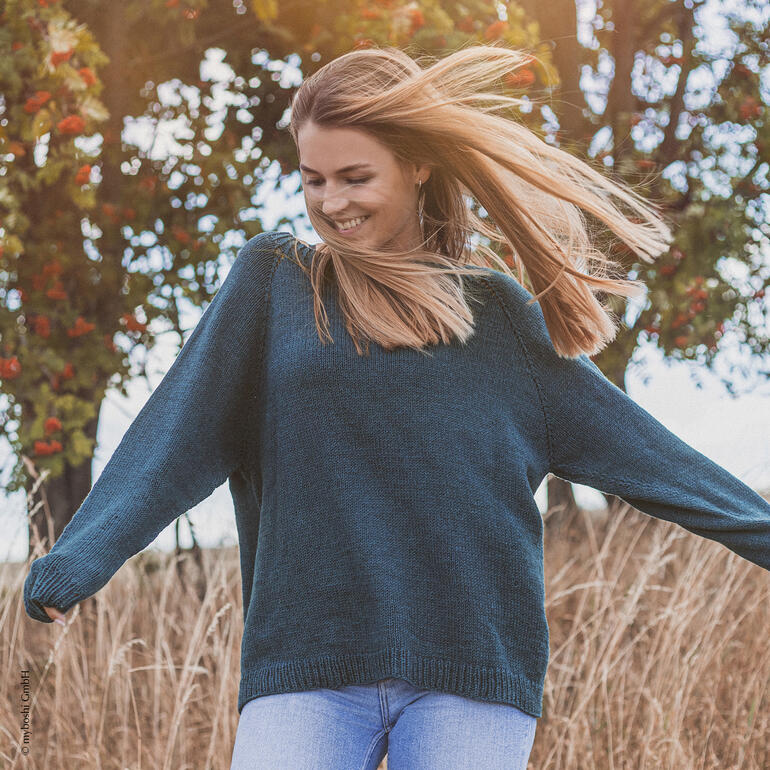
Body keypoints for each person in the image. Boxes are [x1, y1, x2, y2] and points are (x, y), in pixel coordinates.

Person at [24, 44, 770, 770]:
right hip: (307, 660)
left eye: (354, 176)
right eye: (313, 179)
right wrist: (81, 558)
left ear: (416, 165)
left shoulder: (498, 317)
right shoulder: (275, 284)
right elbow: (175, 434)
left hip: (471, 665)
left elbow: (651, 457)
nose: (330, 203)